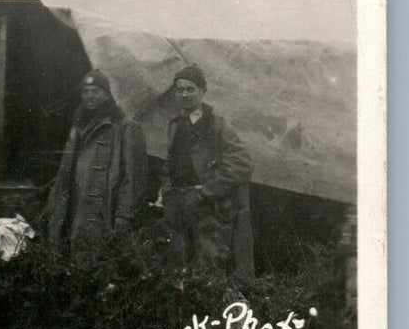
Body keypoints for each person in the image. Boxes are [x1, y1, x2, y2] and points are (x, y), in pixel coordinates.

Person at [162, 64, 255, 280]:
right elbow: (170, 162)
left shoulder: (217, 125)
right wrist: (166, 190)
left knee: (208, 273)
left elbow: (242, 163)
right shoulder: (174, 125)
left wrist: (207, 190)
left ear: (202, 91)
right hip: (178, 207)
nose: (184, 94)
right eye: (180, 89)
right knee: (176, 271)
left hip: (208, 210)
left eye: (190, 89)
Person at [44, 70, 148, 260]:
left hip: (104, 211)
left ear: (107, 95)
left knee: (103, 265)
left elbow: (133, 178)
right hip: (76, 208)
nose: (89, 96)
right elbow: (64, 174)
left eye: (95, 91)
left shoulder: (125, 128)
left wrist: (123, 215)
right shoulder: (78, 127)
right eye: (85, 92)